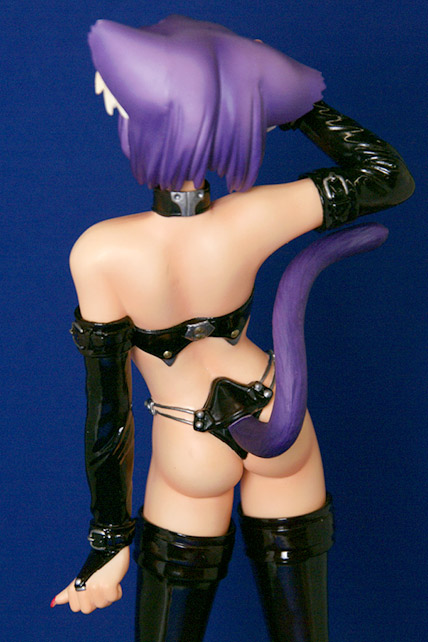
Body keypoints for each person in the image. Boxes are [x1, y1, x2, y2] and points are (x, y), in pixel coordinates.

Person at [52, 15, 414, 642]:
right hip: (280, 414)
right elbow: (387, 176)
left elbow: (109, 408)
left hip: (188, 441)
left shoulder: (102, 253)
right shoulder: (254, 216)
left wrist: (108, 546)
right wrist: (292, 103)